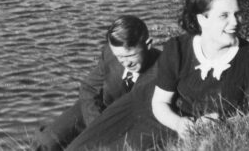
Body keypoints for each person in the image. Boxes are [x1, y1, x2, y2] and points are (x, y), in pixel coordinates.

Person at [66, 0, 249, 150]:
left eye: (237, 14)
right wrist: (179, 123)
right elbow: (160, 102)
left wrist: (223, 124)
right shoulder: (179, 48)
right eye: (224, 16)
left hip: (182, 132)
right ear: (202, 19)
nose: (235, 22)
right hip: (157, 112)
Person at [32, 15, 160, 151]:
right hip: (97, 110)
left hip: (128, 123)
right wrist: (97, 124)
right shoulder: (110, 53)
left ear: (148, 44)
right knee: (47, 141)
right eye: (120, 57)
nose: (126, 63)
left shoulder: (164, 68)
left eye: (130, 55)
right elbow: (89, 89)